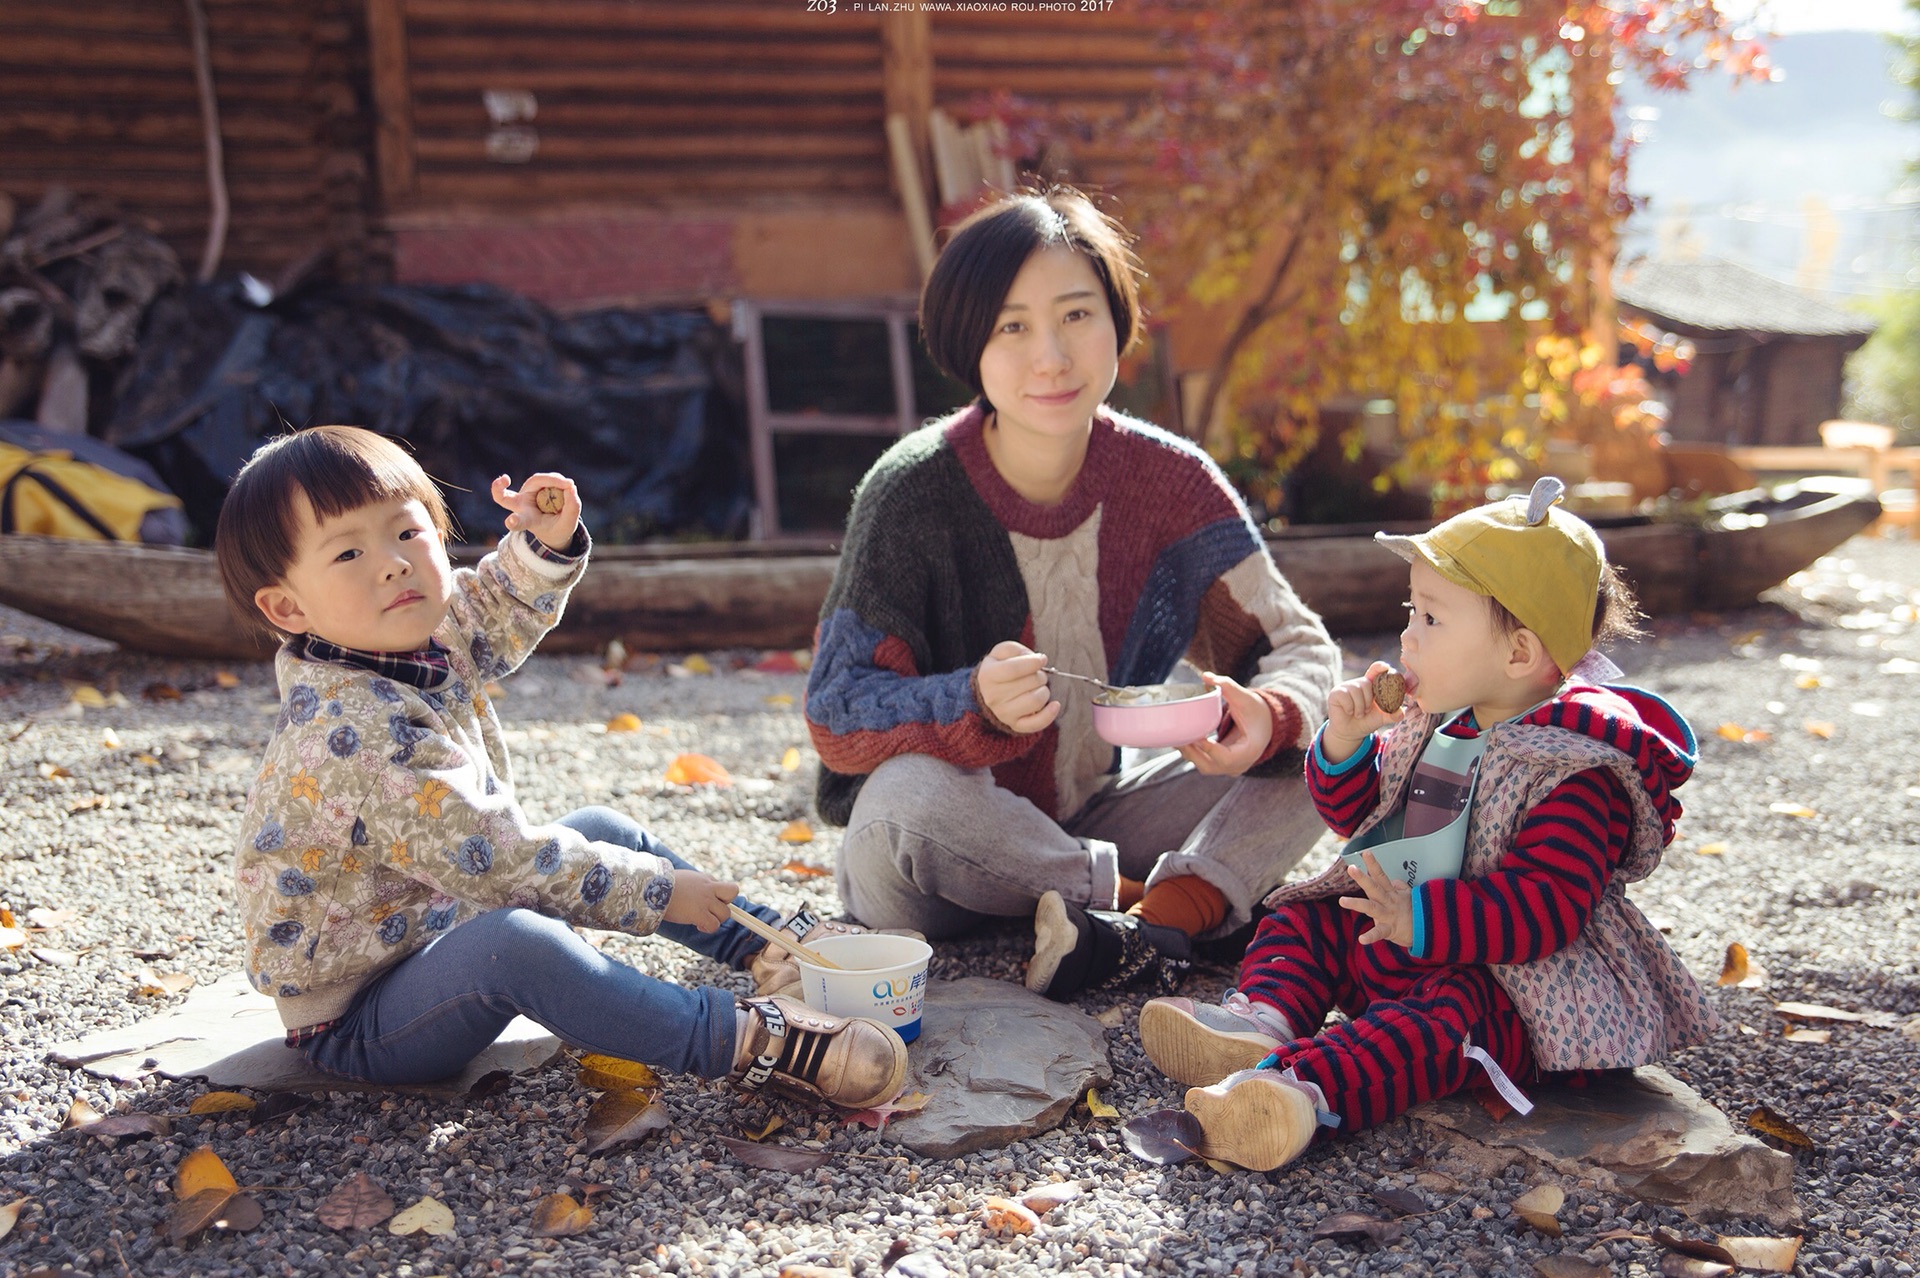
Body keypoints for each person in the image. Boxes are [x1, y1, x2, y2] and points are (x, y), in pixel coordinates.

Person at [214, 425, 907, 1108]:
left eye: (406, 532)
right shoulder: (357, 738)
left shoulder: (397, 636)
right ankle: (747, 1041)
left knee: (600, 828)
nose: (392, 563)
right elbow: (505, 861)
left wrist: (542, 548)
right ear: (286, 607)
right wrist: (661, 892)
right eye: (347, 554)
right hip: (362, 1017)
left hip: (432, 926)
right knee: (517, 946)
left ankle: (772, 945)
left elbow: (484, 611)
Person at [803, 188, 1342, 1000]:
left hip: (1098, 815)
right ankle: (1152, 910)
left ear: (1117, 324)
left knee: (1333, 746)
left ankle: (1152, 917)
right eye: (1011, 326)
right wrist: (971, 703)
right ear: (968, 344)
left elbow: (1300, 653)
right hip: (932, 864)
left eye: (1077, 316)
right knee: (905, 796)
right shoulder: (909, 493)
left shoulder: (1170, 481)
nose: (1050, 356)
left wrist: (1269, 715)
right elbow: (837, 710)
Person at [1135, 477, 1719, 1171]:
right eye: (1412, 611)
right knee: (1308, 915)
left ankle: (1299, 1090)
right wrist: (1346, 743)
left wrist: (1420, 921)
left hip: (1511, 990)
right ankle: (1262, 1018)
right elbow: (1364, 817)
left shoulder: (1577, 773)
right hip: (1400, 938)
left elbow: (1545, 912)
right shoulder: (1441, 721)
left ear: (1519, 654)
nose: (1407, 636)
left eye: (1431, 620)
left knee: (1438, 1024)